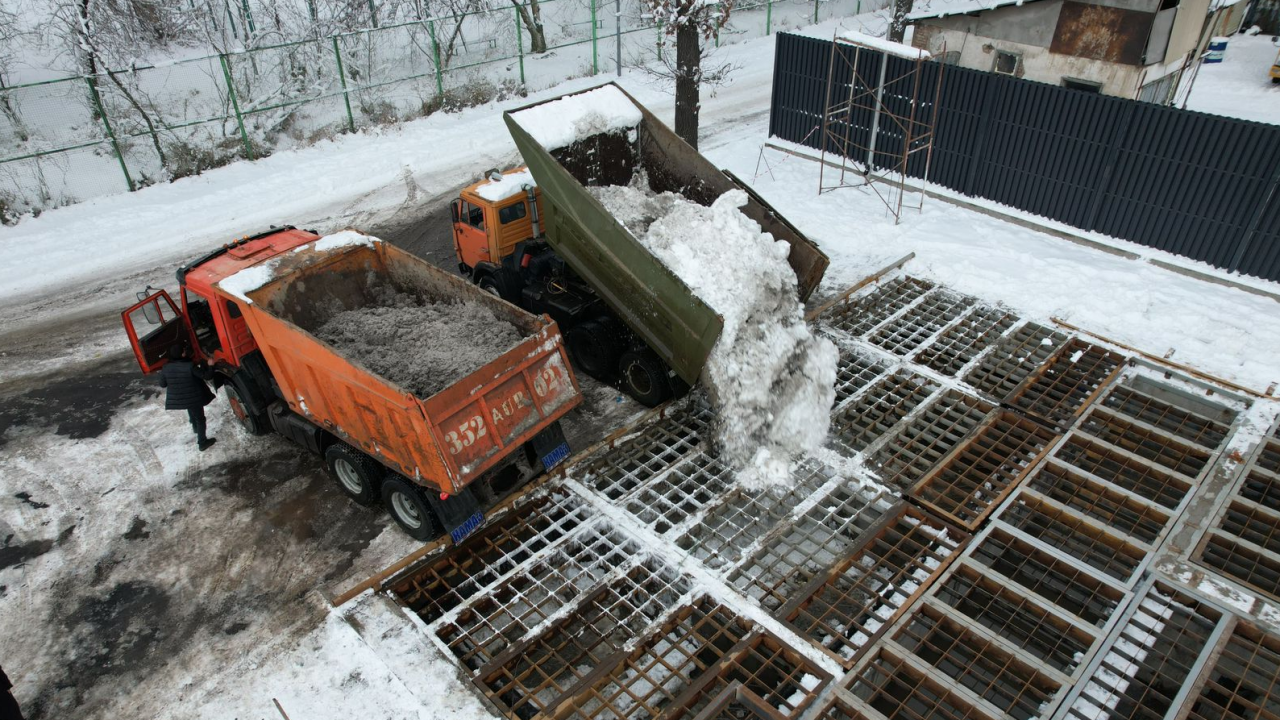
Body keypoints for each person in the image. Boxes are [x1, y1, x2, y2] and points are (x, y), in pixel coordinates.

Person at [160, 344, 217, 451]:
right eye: (184, 351)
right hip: (193, 397)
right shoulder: (190, 366)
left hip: (181, 398)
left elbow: (162, 384)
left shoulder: (166, 367)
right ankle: (202, 443)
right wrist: (211, 365)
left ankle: (195, 427)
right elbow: (207, 376)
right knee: (200, 419)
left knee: (190, 408)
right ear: (182, 354)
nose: (185, 352)